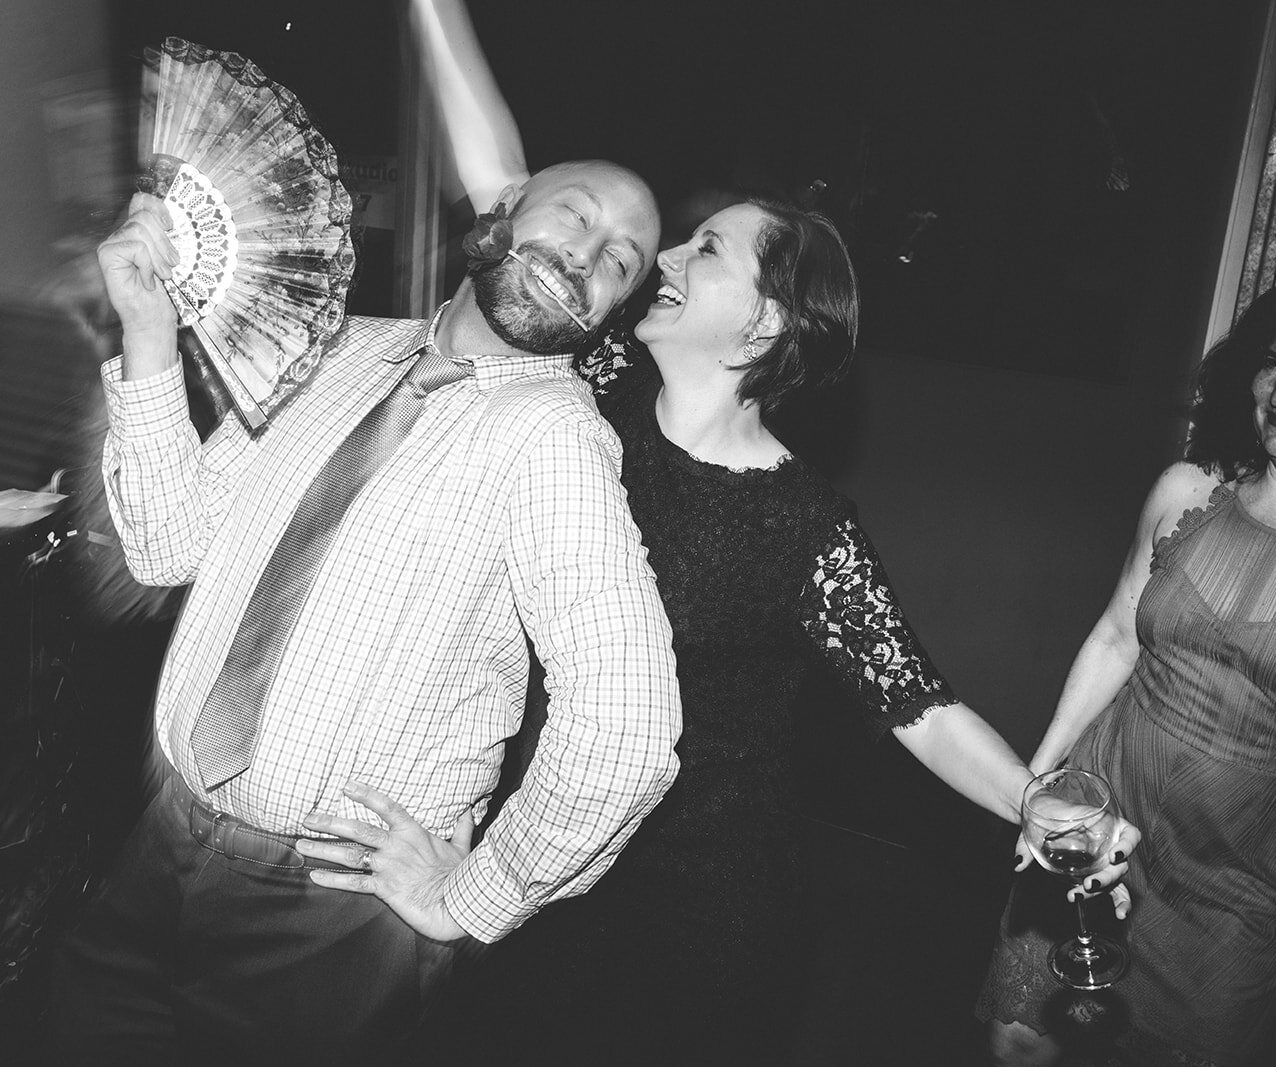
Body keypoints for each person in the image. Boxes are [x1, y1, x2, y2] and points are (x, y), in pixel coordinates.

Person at [290, 4, 1137, 1062]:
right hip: (541, 856)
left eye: (707, 246)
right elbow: (511, 194)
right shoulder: (587, 389)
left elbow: (916, 702)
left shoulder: (801, 517)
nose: (665, 257)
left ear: (767, 320)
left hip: (706, 906)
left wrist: (1043, 809)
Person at [47, 140, 684, 1059]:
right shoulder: (340, 349)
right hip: (161, 837)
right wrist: (148, 331)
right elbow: (165, 543)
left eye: (617, 262)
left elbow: (625, 728)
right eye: (575, 215)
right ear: (500, 210)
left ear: (609, 315)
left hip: (327, 917)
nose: (586, 257)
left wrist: (476, 892)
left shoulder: (552, 437)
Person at [979, 278, 1276, 1067]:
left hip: (1246, 889)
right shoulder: (1188, 491)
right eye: (1274, 364)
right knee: (1017, 1039)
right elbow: (1114, 637)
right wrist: (1036, 785)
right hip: (1104, 827)